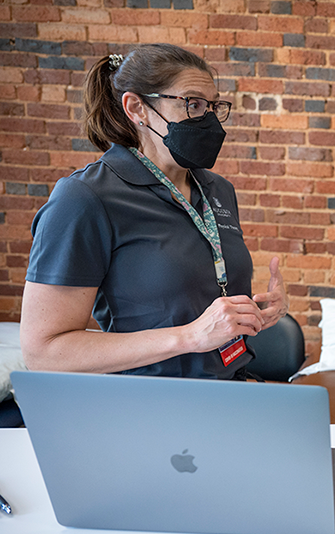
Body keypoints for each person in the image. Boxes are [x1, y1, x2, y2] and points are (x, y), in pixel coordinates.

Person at [20, 44, 288, 379]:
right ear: (137, 108)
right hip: (150, 404)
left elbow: (198, 296)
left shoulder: (217, 190)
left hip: (231, 388)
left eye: (213, 105)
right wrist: (188, 337)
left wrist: (257, 309)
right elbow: (43, 352)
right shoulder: (85, 198)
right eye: (192, 103)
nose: (207, 118)